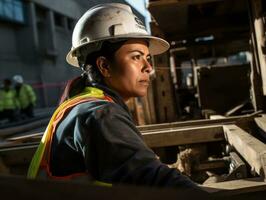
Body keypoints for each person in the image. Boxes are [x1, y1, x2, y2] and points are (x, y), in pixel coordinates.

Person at [27, 3, 207, 193]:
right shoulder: (100, 113)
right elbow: (151, 179)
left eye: (148, 57)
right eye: (136, 57)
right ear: (104, 66)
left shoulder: (81, 104)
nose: (149, 67)